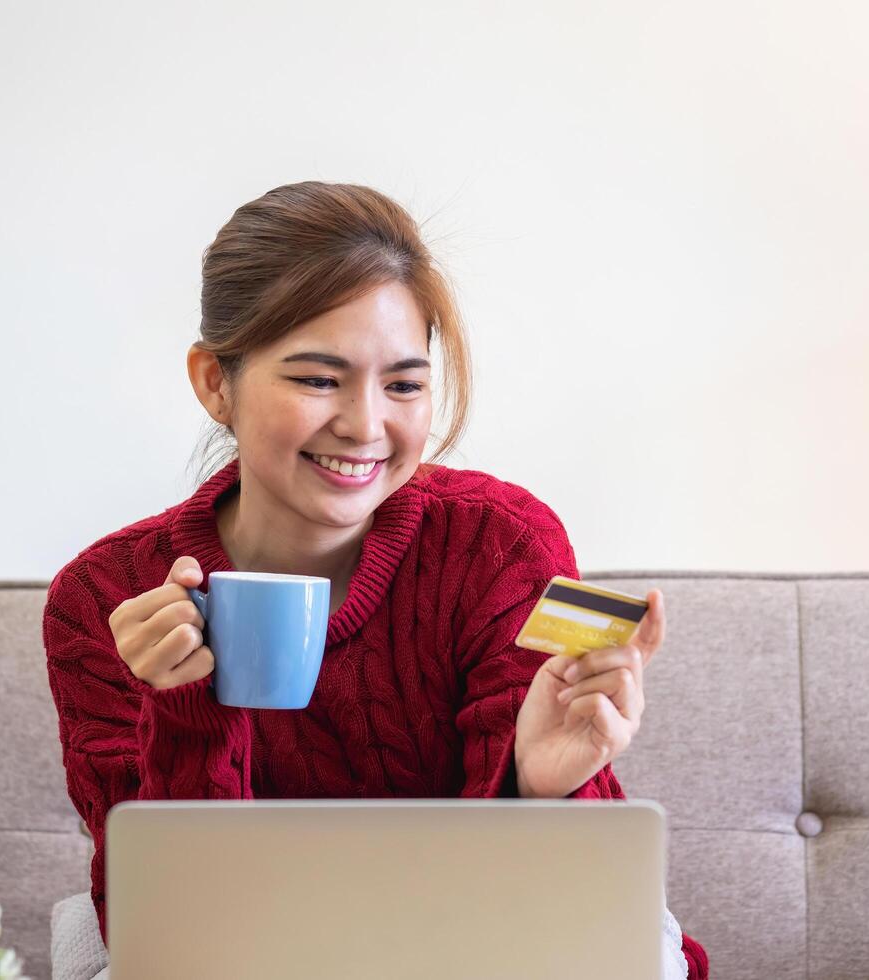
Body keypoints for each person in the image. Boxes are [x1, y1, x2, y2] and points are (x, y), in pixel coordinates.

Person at [42, 181, 709, 978]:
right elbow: (170, 938)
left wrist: (540, 791)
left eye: (403, 384)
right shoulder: (104, 599)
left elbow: (569, 917)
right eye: (318, 379)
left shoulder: (501, 543)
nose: (366, 426)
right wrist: (188, 710)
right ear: (215, 382)